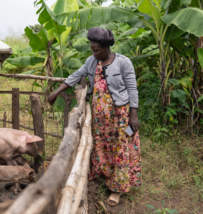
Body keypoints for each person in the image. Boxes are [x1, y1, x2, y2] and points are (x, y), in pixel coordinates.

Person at [47, 28, 141, 207]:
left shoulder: (123, 62)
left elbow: (132, 89)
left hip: (120, 115)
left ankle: (117, 189)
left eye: (96, 50)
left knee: (120, 149)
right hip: (100, 115)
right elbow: (75, 76)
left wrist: (133, 115)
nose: (93, 52)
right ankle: (104, 175)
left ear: (106, 48)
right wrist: (55, 92)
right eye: (92, 49)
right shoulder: (91, 61)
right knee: (102, 146)